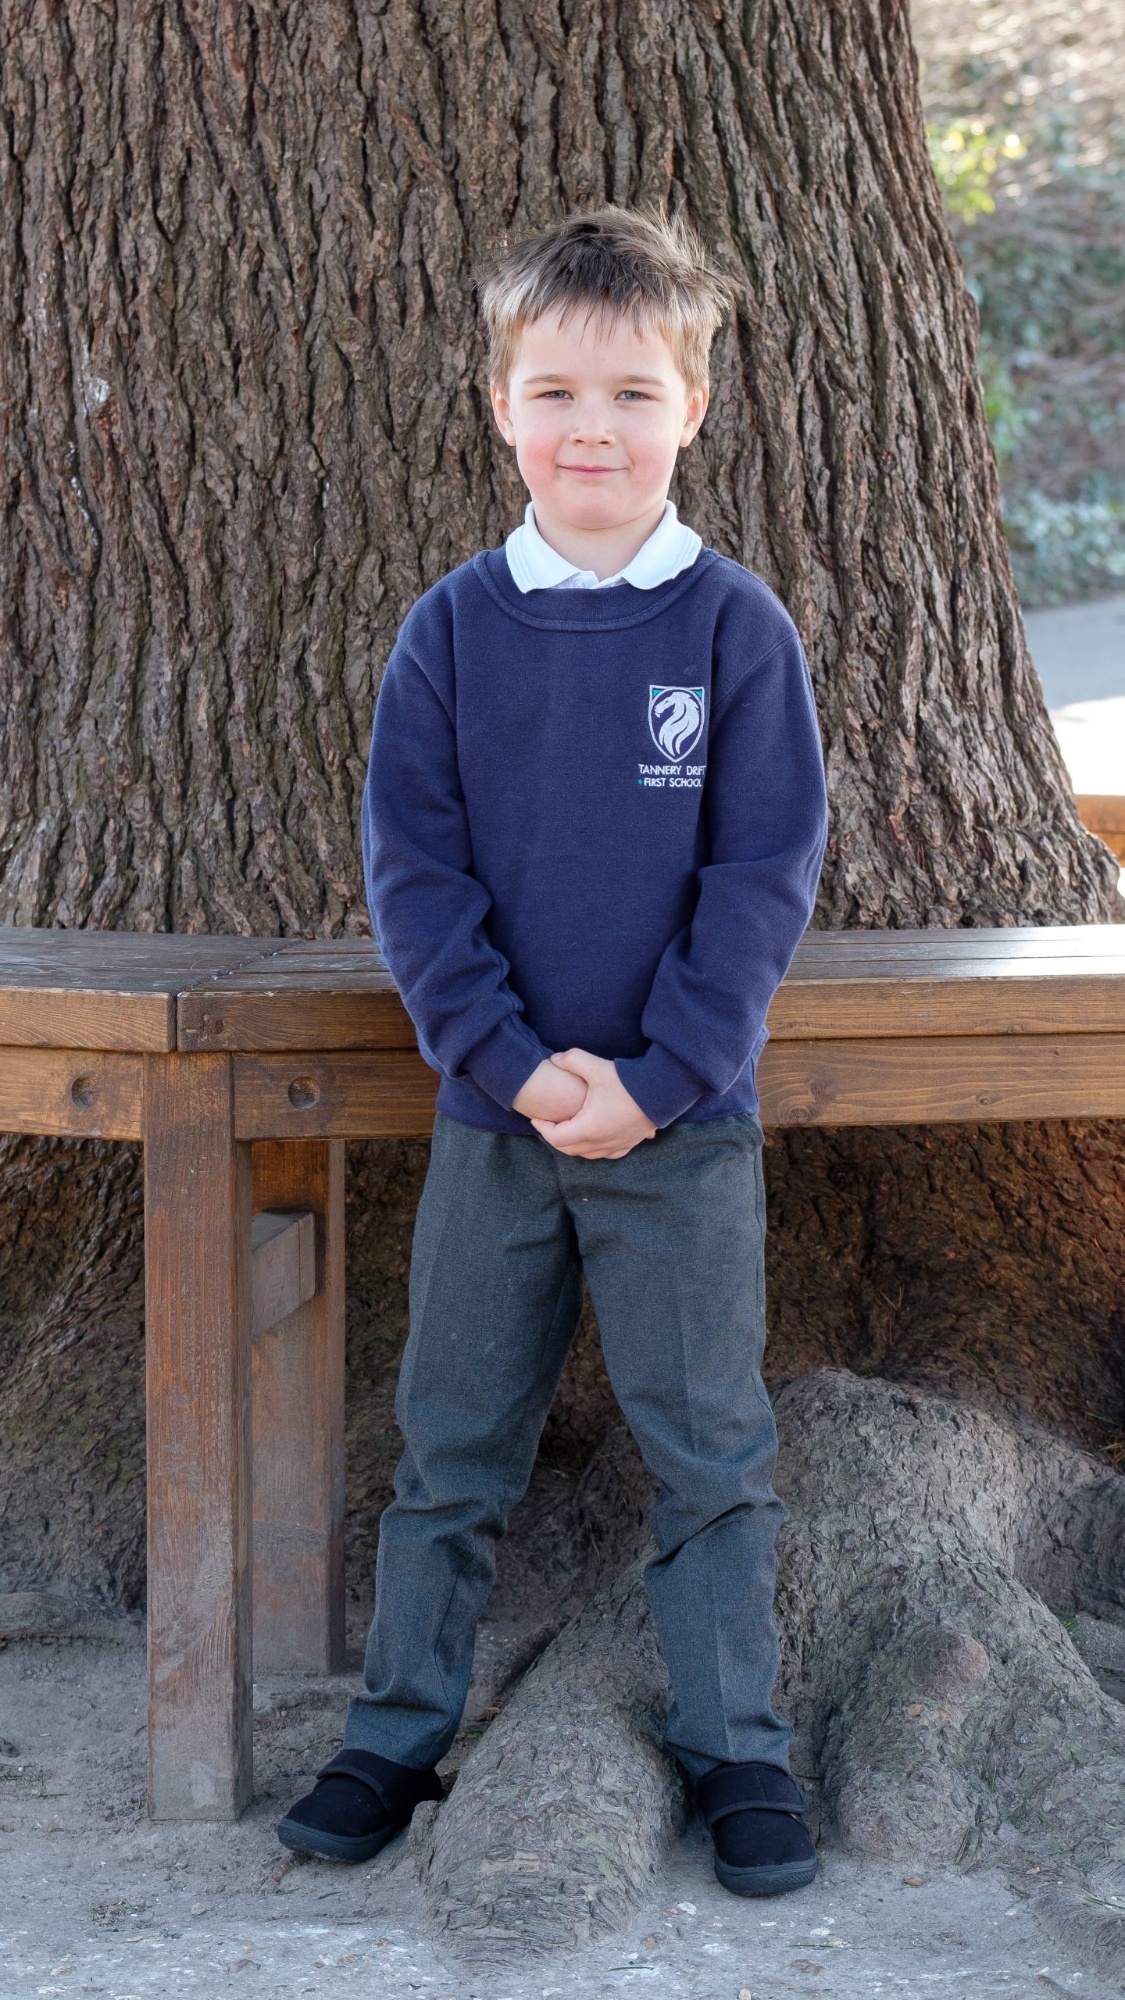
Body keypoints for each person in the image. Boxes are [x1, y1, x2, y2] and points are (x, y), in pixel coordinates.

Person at [277, 204, 829, 1899]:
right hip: (495, 1116)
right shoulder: (452, 630)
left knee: (707, 1450)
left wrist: (652, 1082)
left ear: (695, 407)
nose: (594, 426)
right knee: (449, 1443)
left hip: (683, 1121)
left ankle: (736, 1744)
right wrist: (518, 1072)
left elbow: (759, 875)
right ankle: (394, 1729)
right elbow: (415, 878)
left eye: (633, 392)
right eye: (556, 390)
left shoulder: (733, 630)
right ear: (499, 404)